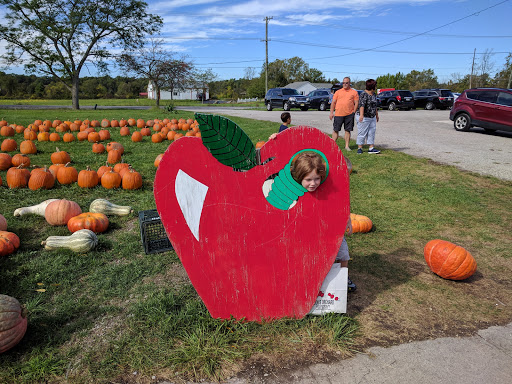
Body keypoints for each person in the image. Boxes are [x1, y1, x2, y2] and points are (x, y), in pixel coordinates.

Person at [290, 152, 357, 292]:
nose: (313, 183)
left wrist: (348, 220)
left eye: (317, 179)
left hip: (330, 228)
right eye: (308, 179)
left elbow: (341, 203)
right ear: (299, 177)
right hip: (306, 231)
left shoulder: (327, 189)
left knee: (343, 253)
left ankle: (343, 277)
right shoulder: (293, 190)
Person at [329, 77, 359, 151]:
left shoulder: (354, 92)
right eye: (343, 83)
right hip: (338, 114)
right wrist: (331, 113)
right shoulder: (338, 92)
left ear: (349, 83)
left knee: (347, 130)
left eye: (346, 83)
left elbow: (356, 103)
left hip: (349, 115)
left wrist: (353, 112)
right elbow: (333, 102)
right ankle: (332, 146)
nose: (345, 84)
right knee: (336, 130)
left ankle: (347, 146)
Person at [356, 79, 380, 154]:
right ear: (372, 86)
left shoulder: (374, 94)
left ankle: (371, 148)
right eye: (375, 86)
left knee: (371, 132)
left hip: (372, 117)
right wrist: (361, 115)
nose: (376, 87)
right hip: (364, 117)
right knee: (362, 132)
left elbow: (374, 105)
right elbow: (362, 105)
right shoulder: (364, 94)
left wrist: (376, 115)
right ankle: (360, 148)